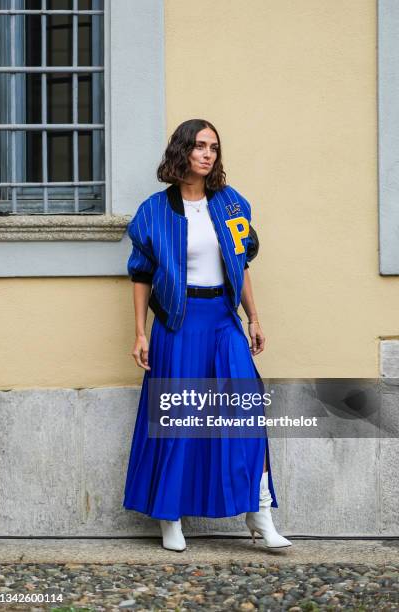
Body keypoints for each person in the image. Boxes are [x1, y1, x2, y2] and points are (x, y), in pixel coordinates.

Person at [123, 118, 291, 552]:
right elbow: (141, 275)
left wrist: (253, 318)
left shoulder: (232, 204)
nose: (207, 154)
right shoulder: (154, 212)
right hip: (178, 324)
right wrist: (140, 334)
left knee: (246, 414)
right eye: (199, 146)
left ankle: (260, 512)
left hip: (222, 319)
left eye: (213, 147)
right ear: (182, 151)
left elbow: (241, 265)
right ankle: (169, 517)